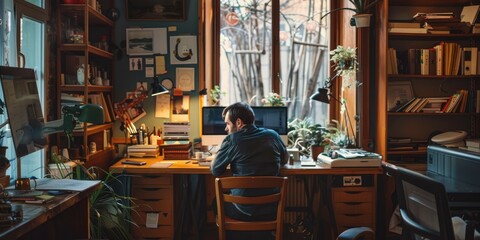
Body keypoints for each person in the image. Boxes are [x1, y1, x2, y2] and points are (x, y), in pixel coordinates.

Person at [210, 102, 288, 239]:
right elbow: (285, 160)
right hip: (270, 209)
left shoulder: (232, 140)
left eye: (228, 124)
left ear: (238, 122)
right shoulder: (273, 135)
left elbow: (216, 170)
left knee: (215, 201)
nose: (226, 129)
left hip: (243, 211)